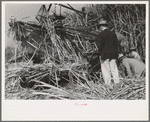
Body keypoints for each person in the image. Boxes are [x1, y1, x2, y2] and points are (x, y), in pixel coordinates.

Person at [95, 19, 120, 86]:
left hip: (104, 54)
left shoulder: (100, 35)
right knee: (114, 68)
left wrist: (100, 53)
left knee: (105, 70)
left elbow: (99, 46)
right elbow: (116, 44)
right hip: (113, 54)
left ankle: (108, 84)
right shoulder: (113, 34)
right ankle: (117, 82)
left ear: (100, 27)